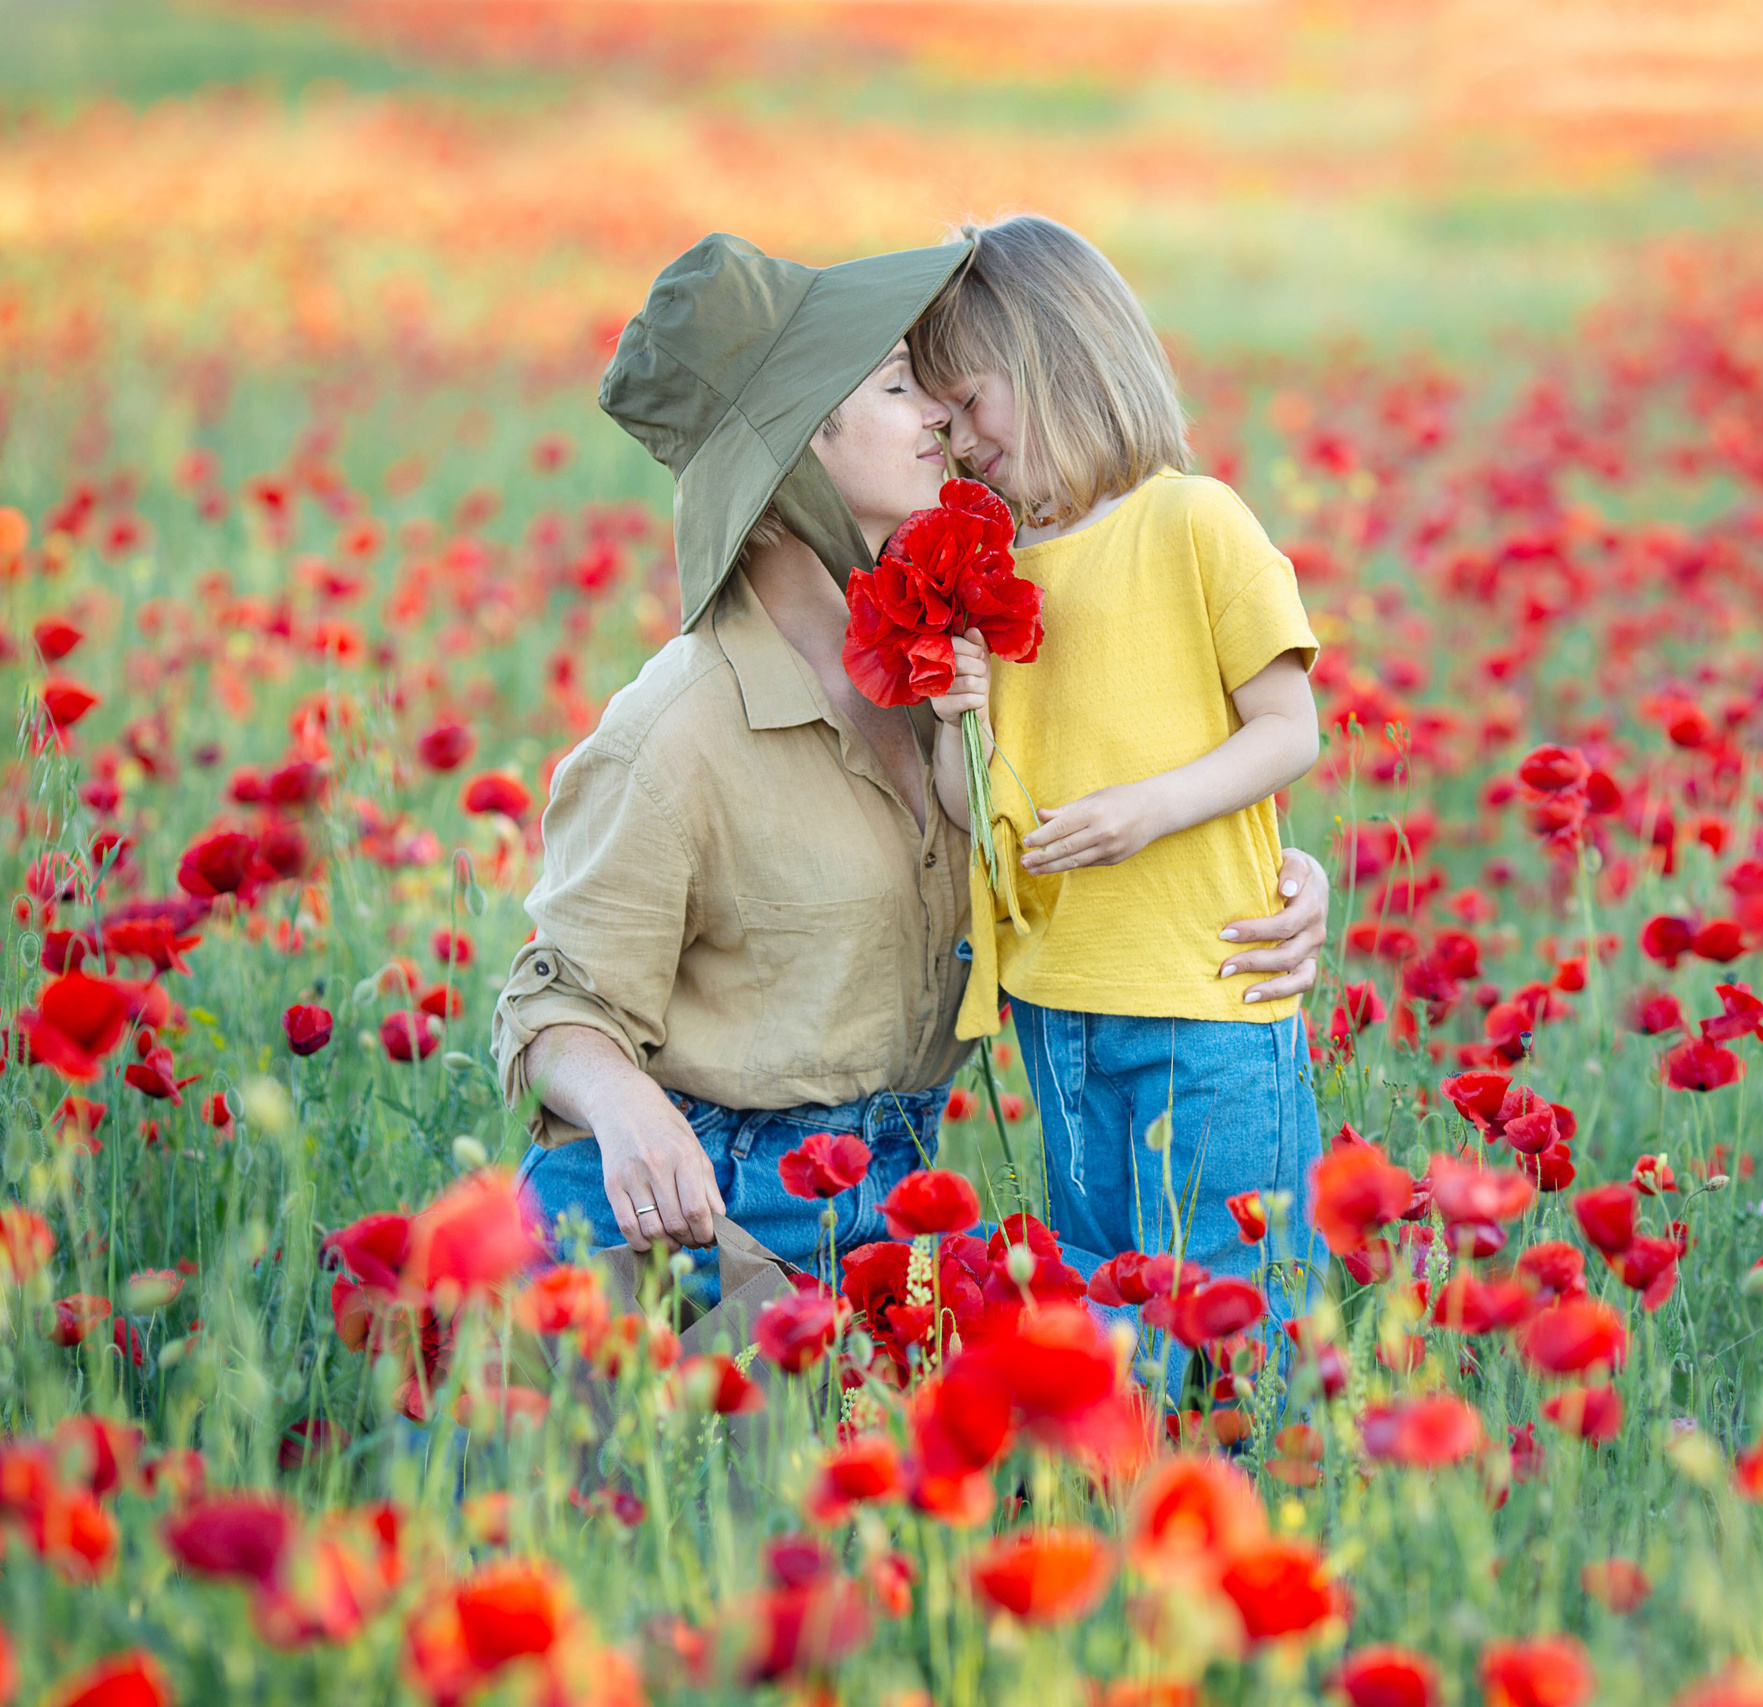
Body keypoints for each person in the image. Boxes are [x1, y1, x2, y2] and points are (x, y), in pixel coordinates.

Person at [491, 232, 1330, 1299]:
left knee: (1144, 1374)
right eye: (898, 386)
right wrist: (624, 1108)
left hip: (889, 1197)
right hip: (700, 1213)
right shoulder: (673, 736)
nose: (940, 413)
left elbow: (1130, 771)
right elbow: (550, 1002)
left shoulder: (950, 644)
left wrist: (1276, 870)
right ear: (797, 448)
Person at [910, 215, 1326, 1349]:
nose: (956, 440)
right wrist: (959, 713)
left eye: (970, 403)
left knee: (1243, 1289)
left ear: (1058, 356)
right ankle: (1126, 1500)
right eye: (938, 419)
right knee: (1105, 1291)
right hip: (1061, 1002)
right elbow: (971, 803)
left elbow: (1289, 730)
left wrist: (1152, 808)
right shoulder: (990, 563)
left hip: (1207, 990)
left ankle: (1259, 1495)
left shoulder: (1192, 520)